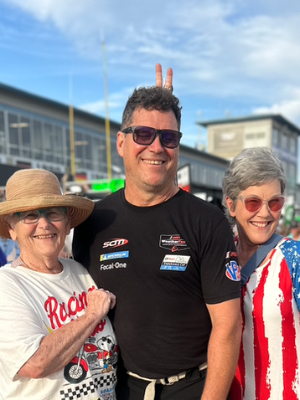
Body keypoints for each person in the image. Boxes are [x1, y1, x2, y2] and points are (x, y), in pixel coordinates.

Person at [73, 65, 242, 400]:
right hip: (116, 387)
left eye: (169, 137)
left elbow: (227, 326)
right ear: (121, 142)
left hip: (192, 388)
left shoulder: (206, 221)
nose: (156, 147)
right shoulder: (93, 221)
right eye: (143, 134)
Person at [0, 169, 118, 400]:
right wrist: (92, 314)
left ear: (67, 224)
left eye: (53, 213)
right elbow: (35, 363)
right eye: (30, 216)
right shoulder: (7, 285)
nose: (44, 224)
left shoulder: (82, 271)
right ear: (13, 229)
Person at [223, 147, 300, 399]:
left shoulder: (294, 258)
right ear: (231, 204)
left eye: (274, 202)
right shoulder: (217, 257)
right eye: (254, 202)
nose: (265, 213)